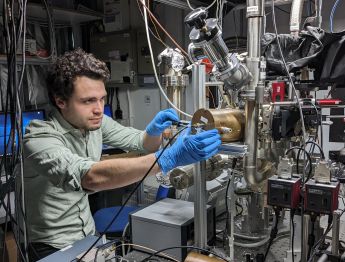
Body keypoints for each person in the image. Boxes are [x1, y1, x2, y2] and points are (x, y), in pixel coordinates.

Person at [23, 48, 221, 261]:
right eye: (88, 101)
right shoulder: (39, 137)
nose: (99, 109)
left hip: (88, 235)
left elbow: (142, 143)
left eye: (102, 99)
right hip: (50, 244)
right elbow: (89, 177)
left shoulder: (96, 122)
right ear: (61, 101)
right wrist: (169, 157)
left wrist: (153, 132)